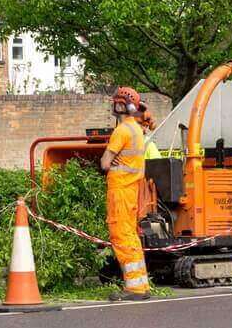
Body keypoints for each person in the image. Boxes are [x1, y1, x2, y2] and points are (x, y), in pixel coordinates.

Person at [100, 86, 151, 301]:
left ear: (121, 105)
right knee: (130, 235)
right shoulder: (137, 130)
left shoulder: (121, 131)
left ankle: (135, 288)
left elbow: (104, 163)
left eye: (116, 101)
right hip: (131, 190)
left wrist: (111, 161)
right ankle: (140, 284)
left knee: (121, 236)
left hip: (119, 190)